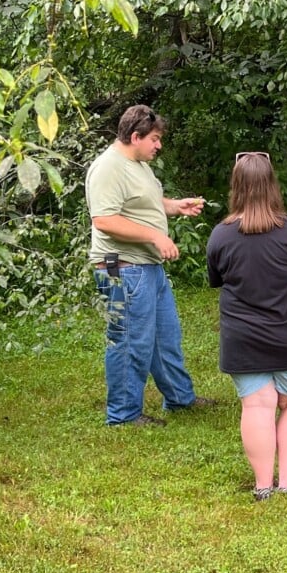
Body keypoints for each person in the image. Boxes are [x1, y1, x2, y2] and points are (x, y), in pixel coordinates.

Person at [206, 152, 287, 501]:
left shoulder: (221, 236)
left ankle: (262, 486)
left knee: (257, 407)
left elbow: (218, 280)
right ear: (273, 184)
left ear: (236, 187)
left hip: (243, 339)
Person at [86, 104, 210, 427]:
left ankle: (181, 399)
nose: (159, 146)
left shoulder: (138, 164)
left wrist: (174, 206)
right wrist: (156, 236)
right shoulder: (108, 168)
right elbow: (104, 220)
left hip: (147, 269)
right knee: (129, 340)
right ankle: (124, 415)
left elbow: (143, 205)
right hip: (123, 268)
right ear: (135, 136)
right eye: (154, 139)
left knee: (166, 336)